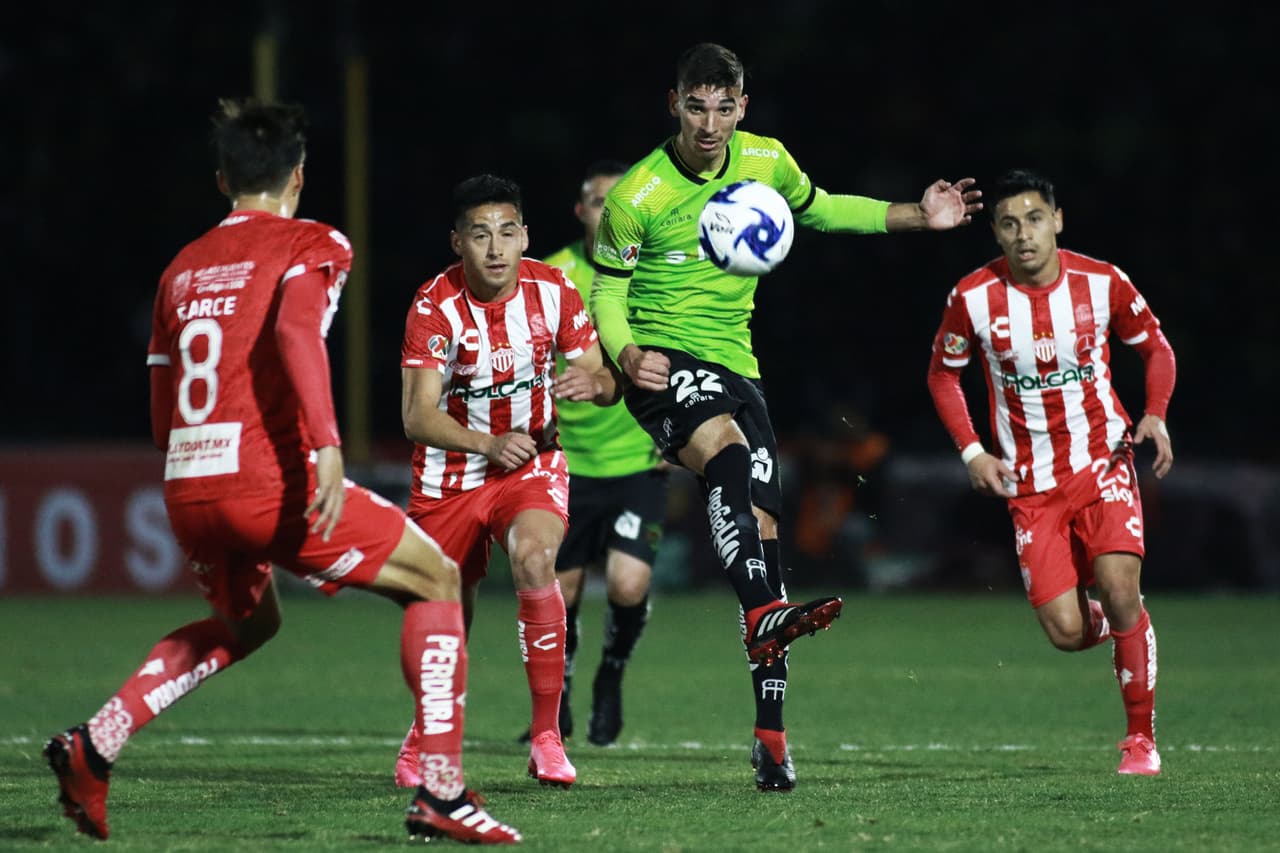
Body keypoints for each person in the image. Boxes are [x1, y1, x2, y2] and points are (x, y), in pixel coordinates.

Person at [43, 99, 520, 844]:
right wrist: (327, 447)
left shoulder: (181, 268)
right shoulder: (312, 241)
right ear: (298, 175)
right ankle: (442, 790)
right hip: (271, 478)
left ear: (222, 177)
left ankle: (96, 741)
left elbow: (163, 398)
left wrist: (191, 489)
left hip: (188, 482)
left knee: (248, 622)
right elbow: (298, 330)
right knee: (437, 578)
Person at [588, 42, 983, 792]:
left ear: (743, 105)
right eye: (695, 105)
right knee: (728, 457)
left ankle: (772, 740)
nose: (709, 122)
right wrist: (624, 349)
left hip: (740, 368)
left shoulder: (766, 160)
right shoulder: (637, 194)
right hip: (665, 363)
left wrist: (917, 216)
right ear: (673, 104)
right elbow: (608, 289)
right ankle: (766, 612)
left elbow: (823, 208)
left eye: (723, 106)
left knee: (765, 549)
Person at [926, 167, 1174, 776]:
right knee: (1066, 632)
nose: (1024, 234)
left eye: (1035, 219)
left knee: (1119, 588)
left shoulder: (1102, 281)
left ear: (1057, 220)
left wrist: (1157, 415)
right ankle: (1129, 630)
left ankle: (1138, 740)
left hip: (1103, 462)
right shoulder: (973, 297)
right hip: (1030, 485)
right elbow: (942, 374)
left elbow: (1156, 347)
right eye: (1009, 223)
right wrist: (972, 451)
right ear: (996, 232)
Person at [394, 173, 619, 790]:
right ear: (457, 243)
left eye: (507, 232)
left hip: (533, 466)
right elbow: (417, 417)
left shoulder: (554, 289)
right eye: (480, 235)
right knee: (445, 611)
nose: (495, 248)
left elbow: (600, 377)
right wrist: (488, 443)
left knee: (535, 558)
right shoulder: (433, 306)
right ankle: (422, 735)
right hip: (450, 477)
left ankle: (547, 736)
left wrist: (594, 386)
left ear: (526, 236)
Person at [515, 159, 671, 748]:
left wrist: (673, 431)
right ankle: (564, 690)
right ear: (581, 211)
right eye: (599, 201)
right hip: (564, 464)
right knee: (563, 592)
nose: (609, 211)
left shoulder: (651, 274)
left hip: (636, 459)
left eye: (618, 201)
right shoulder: (548, 277)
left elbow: (674, 352)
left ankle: (612, 674)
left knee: (629, 586)